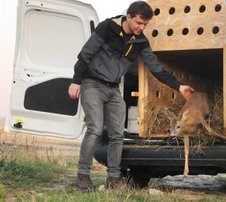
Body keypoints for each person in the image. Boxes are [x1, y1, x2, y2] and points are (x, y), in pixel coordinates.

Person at [68, 1, 194, 190]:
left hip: (113, 89)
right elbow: (86, 54)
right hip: (92, 82)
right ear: (128, 17)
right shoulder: (107, 27)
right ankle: (82, 176)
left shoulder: (140, 41)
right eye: (139, 23)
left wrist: (179, 86)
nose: (141, 28)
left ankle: (113, 179)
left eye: (145, 25)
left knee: (118, 135)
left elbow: (156, 69)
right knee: (95, 128)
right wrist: (76, 80)